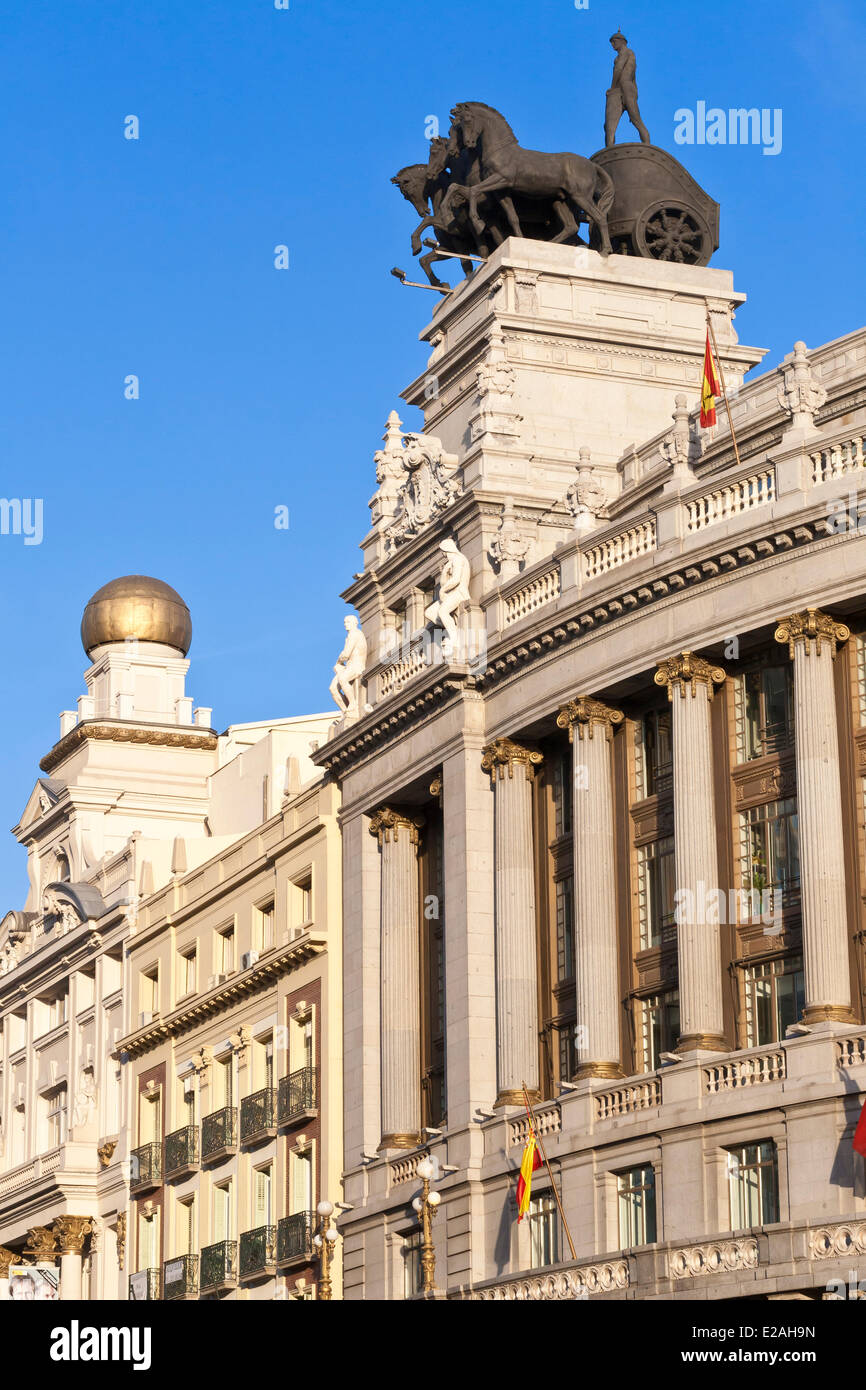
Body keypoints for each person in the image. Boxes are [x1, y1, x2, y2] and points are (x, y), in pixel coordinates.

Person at [605, 31, 651, 147]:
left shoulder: (625, 52)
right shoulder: (631, 54)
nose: (612, 45)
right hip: (629, 88)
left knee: (610, 125)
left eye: (614, 42)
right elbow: (633, 78)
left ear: (621, 42)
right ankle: (647, 144)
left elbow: (618, 69)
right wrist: (635, 93)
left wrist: (613, 87)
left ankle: (610, 148)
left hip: (620, 88)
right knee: (636, 119)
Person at [425, 539, 471, 653]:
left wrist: (442, 591)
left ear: (447, 550)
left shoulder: (458, 559)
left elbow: (456, 579)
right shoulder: (450, 563)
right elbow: (443, 583)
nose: (443, 554)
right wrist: (445, 572)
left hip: (459, 592)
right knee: (429, 613)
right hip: (450, 594)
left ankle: (454, 637)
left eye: (443, 551)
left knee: (442, 612)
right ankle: (453, 627)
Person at [329, 615, 367, 718]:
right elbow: (345, 654)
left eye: (348, 622)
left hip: (357, 665)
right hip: (349, 666)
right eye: (345, 622)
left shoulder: (355, 634)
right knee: (333, 688)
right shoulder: (350, 635)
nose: (346, 624)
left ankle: (353, 704)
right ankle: (346, 712)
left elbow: (346, 654)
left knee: (342, 679)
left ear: (355, 623)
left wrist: (338, 663)